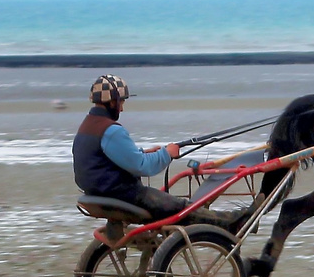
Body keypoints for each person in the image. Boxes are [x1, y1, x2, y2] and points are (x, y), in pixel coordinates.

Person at [73, 74, 241, 227]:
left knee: (175, 205)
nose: (122, 108)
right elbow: (143, 167)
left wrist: (144, 153)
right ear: (112, 102)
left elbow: (108, 158)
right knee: (181, 207)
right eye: (121, 102)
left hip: (99, 192)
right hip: (123, 196)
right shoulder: (111, 130)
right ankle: (232, 222)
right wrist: (167, 153)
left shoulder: (87, 126)